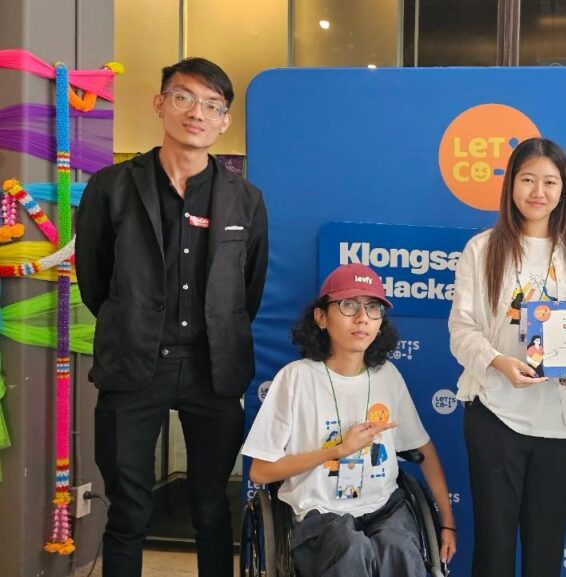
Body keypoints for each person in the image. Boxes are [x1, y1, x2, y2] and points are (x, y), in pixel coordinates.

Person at [76, 57, 268, 577]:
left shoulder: (245, 199)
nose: (196, 113)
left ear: (225, 121)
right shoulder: (112, 187)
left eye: (212, 105)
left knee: (211, 507)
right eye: (183, 98)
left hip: (213, 368)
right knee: (128, 511)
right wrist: (133, 322)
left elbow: (247, 289)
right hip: (134, 363)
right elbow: (95, 280)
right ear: (161, 103)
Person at [242, 263, 457, 577]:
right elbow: (260, 471)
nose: (362, 318)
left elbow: (423, 450)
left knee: (398, 549)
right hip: (318, 515)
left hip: (384, 509)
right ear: (321, 317)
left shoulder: (387, 376)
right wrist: (337, 450)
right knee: (349, 548)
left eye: (373, 307)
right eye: (348, 305)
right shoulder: (296, 378)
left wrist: (447, 523)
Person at [448, 137, 566, 577]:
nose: (538, 191)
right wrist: (498, 361)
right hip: (495, 412)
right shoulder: (482, 249)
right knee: (494, 545)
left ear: (563, 190)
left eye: (550, 182)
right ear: (511, 184)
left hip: (557, 418)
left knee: (545, 547)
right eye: (528, 179)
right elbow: (461, 329)